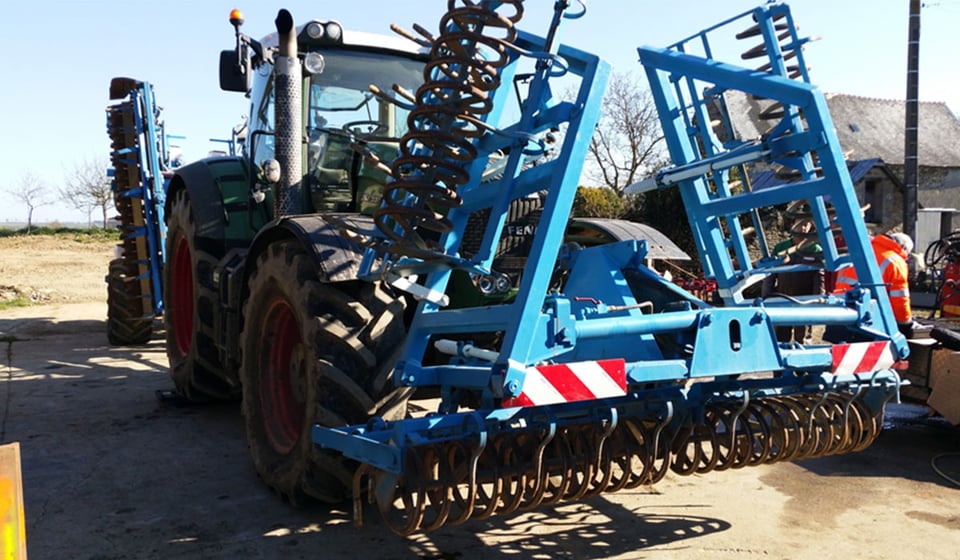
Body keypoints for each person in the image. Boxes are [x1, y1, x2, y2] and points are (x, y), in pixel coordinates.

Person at [832, 232, 922, 337]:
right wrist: (905, 323)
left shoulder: (860, 252)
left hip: (839, 312)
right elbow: (899, 298)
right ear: (903, 247)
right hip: (868, 318)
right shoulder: (896, 262)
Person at [762, 219, 825, 343]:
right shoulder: (781, 247)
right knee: (781, 334)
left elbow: (819, 276)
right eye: (800, 224)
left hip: (805, 299)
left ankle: (805, 356)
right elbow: (770, 274)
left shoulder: (815, 249)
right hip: (783, 297)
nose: (803, 228)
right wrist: (765, 296)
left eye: (806, 224)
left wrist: (818, 298)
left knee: (802, 335)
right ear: (792, 225)